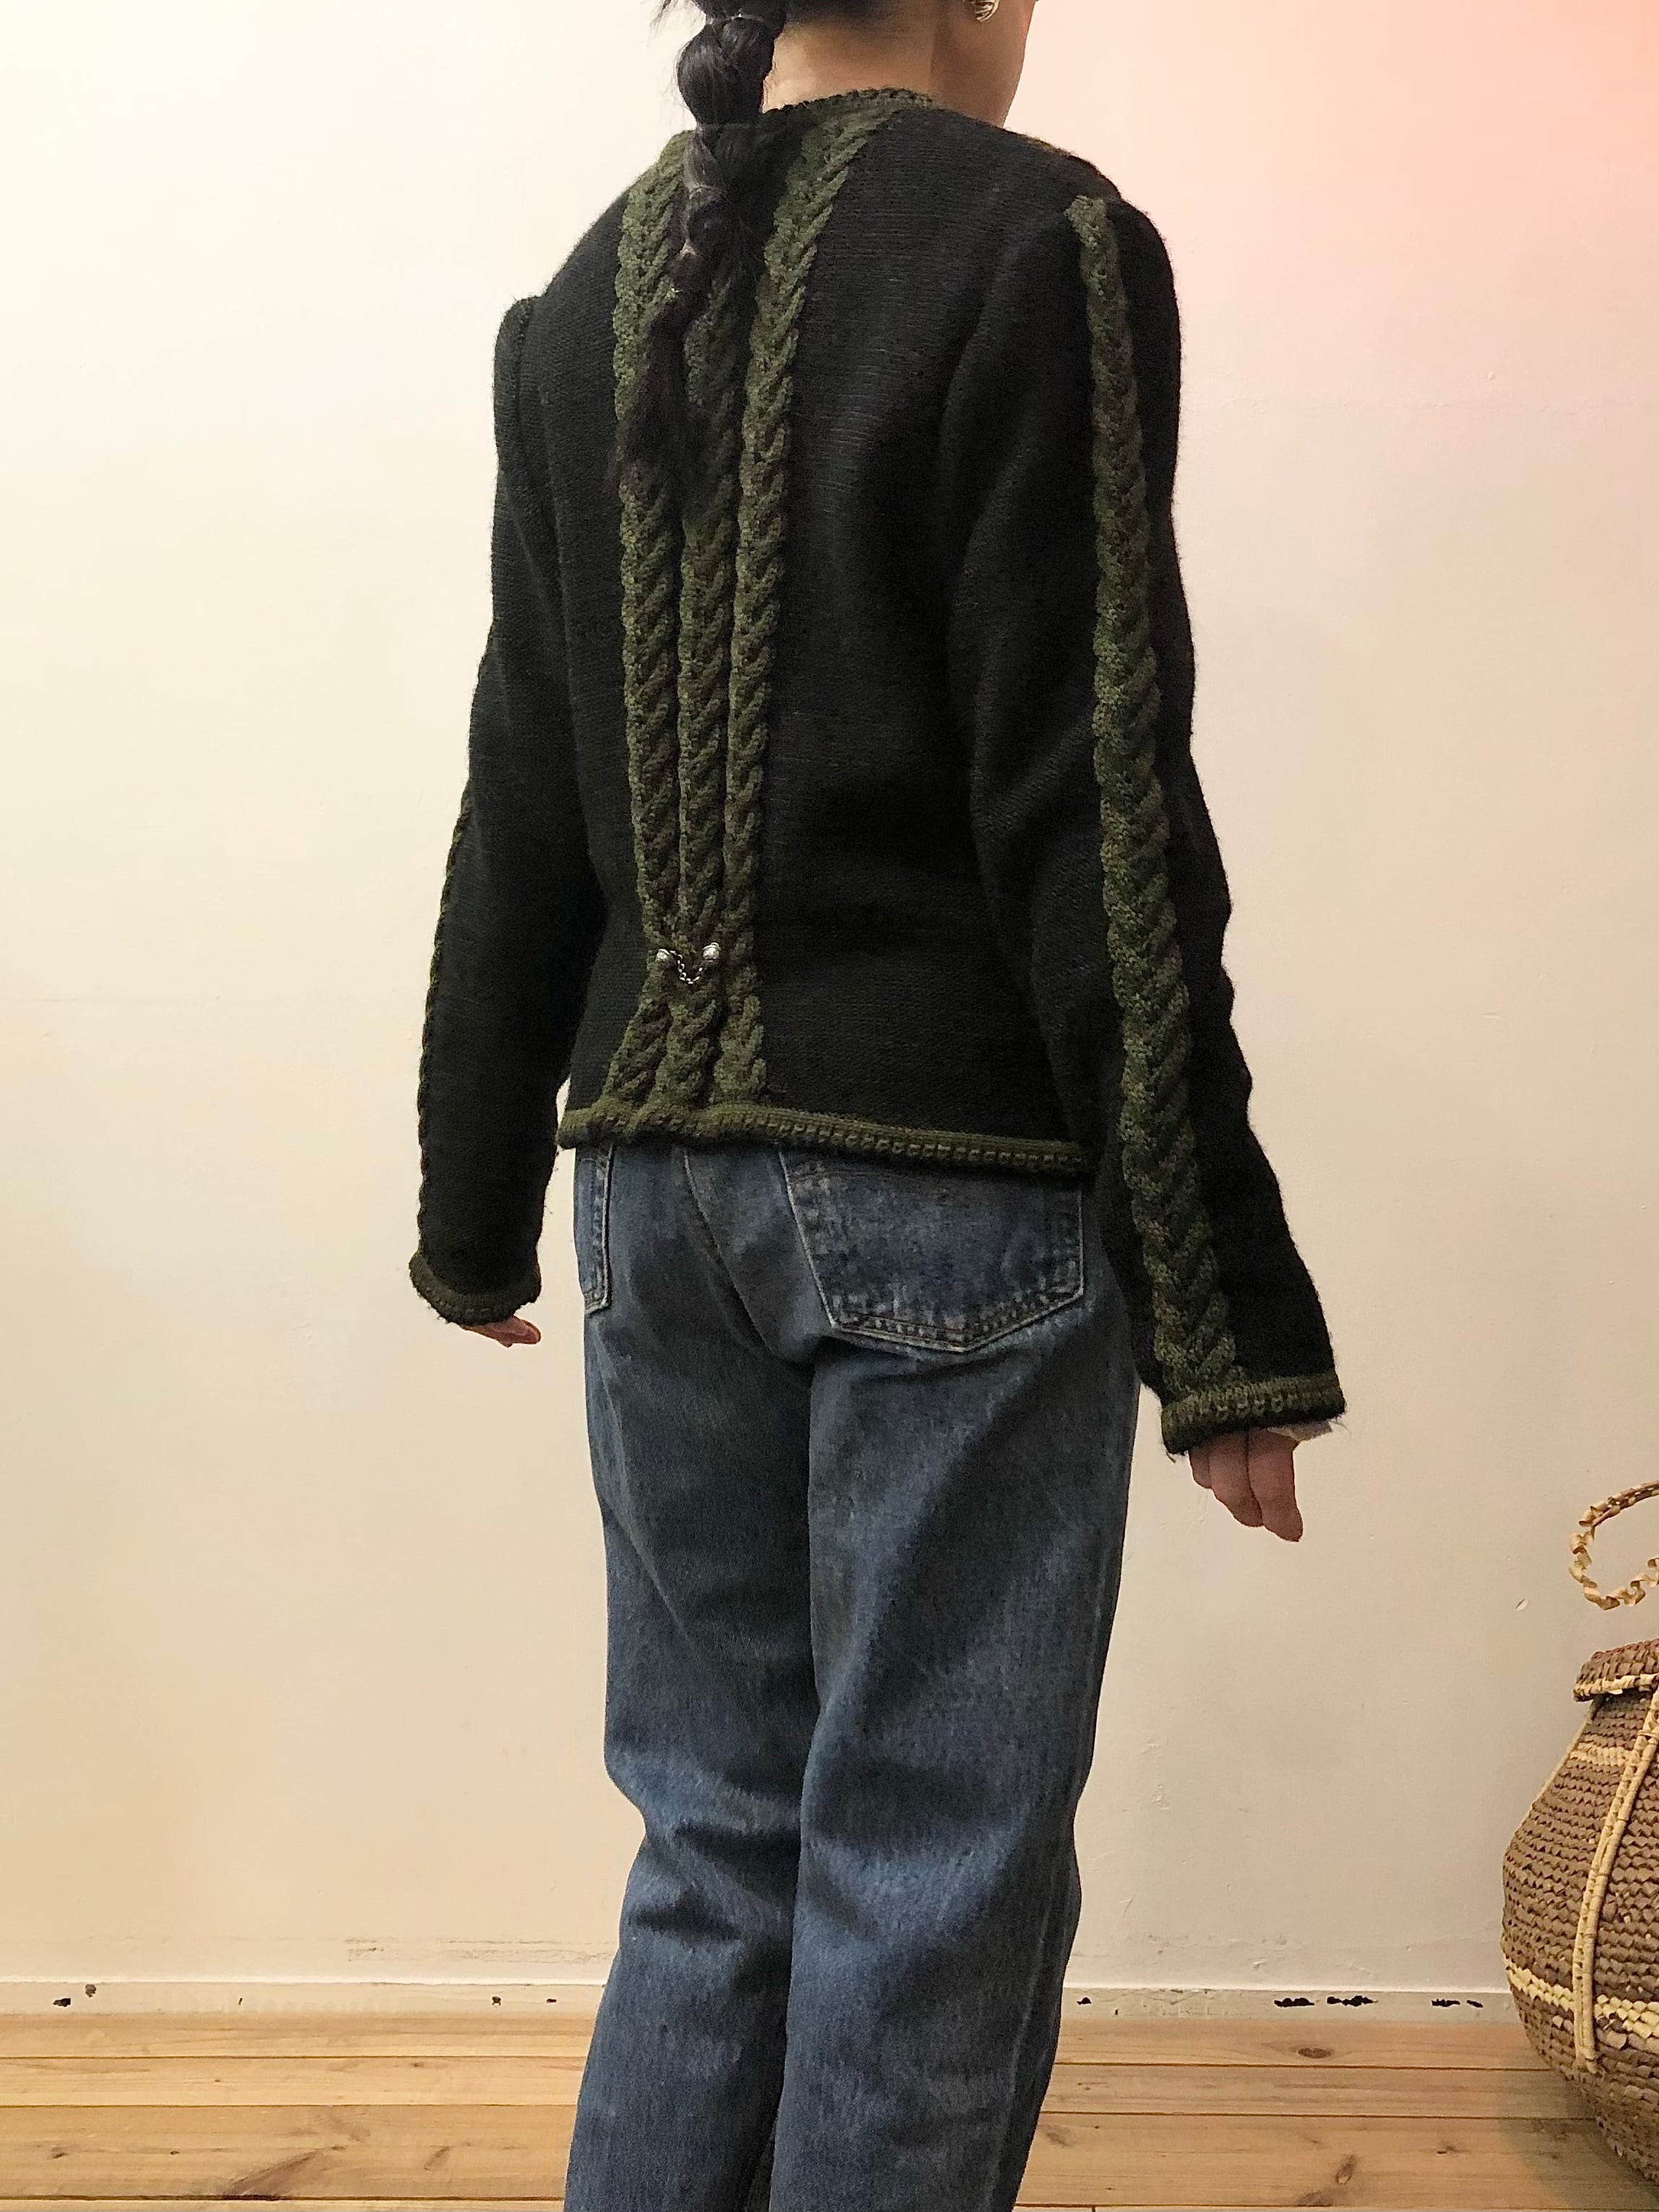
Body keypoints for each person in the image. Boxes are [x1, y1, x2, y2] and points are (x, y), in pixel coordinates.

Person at [408, 1, 1345, 2204]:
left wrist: (471, 1195)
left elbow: (521, 784)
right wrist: (1223, 1313)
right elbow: (1094, 805)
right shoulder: (1041, 242)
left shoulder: (583, 289)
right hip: (952, 1205)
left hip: (652, 1205)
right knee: (928, 1864)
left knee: (714, 1839)